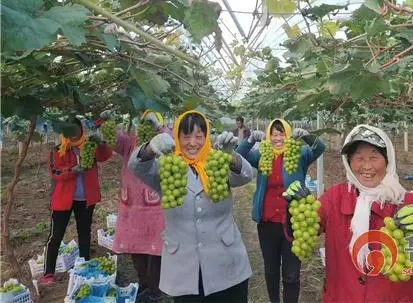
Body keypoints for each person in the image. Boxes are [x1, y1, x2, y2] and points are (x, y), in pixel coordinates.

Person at [307, 124, 413, 302]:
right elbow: (303, 231)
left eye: (374, 157)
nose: (366, 166)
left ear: (388, 161)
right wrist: (294, 212)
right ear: (349, 162)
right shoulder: (334, 198)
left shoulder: (407, 204)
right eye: (358, 158)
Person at [128, 110, 253, 302]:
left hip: (226, 261)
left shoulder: (217, 162)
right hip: (184, 267)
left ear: (206, 137)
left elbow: (245, 176)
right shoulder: (167, 167)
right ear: (177, 137)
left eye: (199, 136)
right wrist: (149, 149)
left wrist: (231, 157)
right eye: (186, 136)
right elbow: (136, 167)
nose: (192, 142)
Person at [236, 119, 325, 303]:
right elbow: (238, 155)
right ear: (269, 136)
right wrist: (251, 139)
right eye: (274, 134)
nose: (278, 138)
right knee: (271, 269)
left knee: (291, 274)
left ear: (288, 134)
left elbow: (319, 148)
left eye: (282, 133)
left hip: (294, 221)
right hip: (267, 221)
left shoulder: (298, 153)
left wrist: (307, 136)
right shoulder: (263, 155)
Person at [97, 110, 167, 302]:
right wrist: (107, 121)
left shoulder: (163, 141)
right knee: (136, 248)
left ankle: (155, 288)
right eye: (144, 123)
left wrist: (160, 128)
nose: (146, 126)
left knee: (156, 250)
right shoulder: (130, 143)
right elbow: (114, 140)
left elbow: (171, 141)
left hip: (155, 207)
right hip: (132, 207)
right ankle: (144, 284)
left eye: (151, 123)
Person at [40, 118, 113, 286]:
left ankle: (85, 264)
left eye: (76, 131)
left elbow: (105, 156)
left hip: (85, 198)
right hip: (63, 199)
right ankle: (48, 272)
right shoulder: (58, 149)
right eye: (70, 131)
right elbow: (54, 172)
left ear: (81, 130)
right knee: (56, 234)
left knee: (84, 231)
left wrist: (101, 143)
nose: (73, 135)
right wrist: (72, 171)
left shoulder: (89, 147)